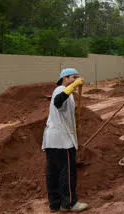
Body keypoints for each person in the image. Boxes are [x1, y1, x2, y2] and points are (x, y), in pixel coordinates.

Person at [42, 68, 88, 212]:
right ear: (65, 78)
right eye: (74, 77)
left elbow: (64, 112)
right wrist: (73, 86)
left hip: (52, 140)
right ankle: (69, 204)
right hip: (62, 141)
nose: (77, 80)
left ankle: (55, 204)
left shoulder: (67, 93)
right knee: (67, 173)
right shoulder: (61, 90)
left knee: (53, 173)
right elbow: (57, 101)